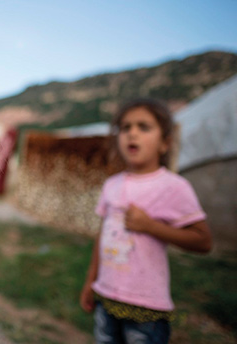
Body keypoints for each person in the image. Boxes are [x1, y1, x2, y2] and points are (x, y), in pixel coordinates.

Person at [79, 98, 213, 344]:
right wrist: (91, 281)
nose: (132, 134)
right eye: (125, 127)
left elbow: (203, 241)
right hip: (106, 298)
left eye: (144, 127)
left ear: (165, 143)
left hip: (146, 309)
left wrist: (151, 226)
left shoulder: (173, 187)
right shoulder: (112, 184)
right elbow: (103, 235)